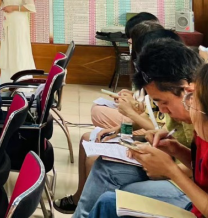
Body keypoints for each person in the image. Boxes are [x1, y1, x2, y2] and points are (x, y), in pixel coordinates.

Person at [87, 60, 208, 218]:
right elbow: (202, 170)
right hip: (195, 207)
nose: (188, 104)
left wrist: (171, 171)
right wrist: (177, 150)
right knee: (107, 202)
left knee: (110, 198)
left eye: (193, 102)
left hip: (197, 209)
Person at [55, 22, 179, 213]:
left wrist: (131, 113)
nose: (129, 43)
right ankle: (80, 200)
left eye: (132, 40)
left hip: (161, 159)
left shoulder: (178, 94)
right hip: (154, 146)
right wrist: (119, 129)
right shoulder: (159, 82)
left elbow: (162, 132)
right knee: (91, 138)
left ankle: (86, 207)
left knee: (100, 162)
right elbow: (157, 125)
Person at [72, 39, 205, 218]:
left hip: (189, 190)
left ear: (188, 89)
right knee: (105, 167)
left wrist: (170, 170)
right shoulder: (191, 110)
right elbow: (200, 165)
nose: (163, 110)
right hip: (177, 170)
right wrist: (174, 148)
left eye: (164, 102)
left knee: (113, 200)